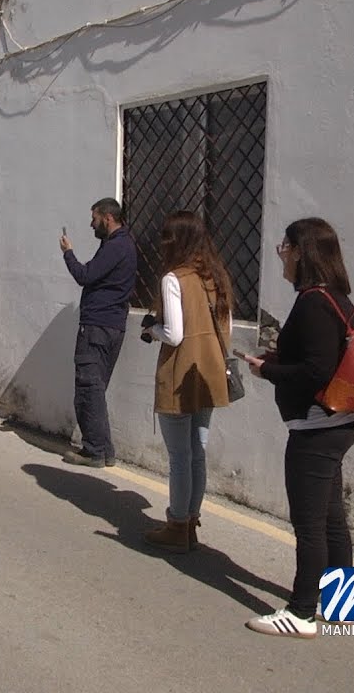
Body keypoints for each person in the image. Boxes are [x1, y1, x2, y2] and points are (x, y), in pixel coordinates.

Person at [240, 218, 354, 639]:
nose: (282, 257)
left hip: (315, 428)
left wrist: (266, 368)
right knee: (331, 520)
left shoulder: (313, 301)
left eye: (284, 248)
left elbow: (315, 369)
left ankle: (302, 612)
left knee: (310, 525)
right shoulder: (338, 298)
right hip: (338, 423)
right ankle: (349, 607)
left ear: (301, 251)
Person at [139, 211, 234, 553]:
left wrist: (151, 329)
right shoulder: (217, 277)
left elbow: (174, 334)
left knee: (180, 456)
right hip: (209, 375)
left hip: (180, 376)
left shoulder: (173, 278)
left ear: (174, 240)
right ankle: (191, 520)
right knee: (198, 454)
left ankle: (177, 525)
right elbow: (227, 329)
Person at [60, 198, 138, 468]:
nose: (91, 224)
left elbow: (85, 275)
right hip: (109, 325)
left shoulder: (116, 246)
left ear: (107, 218)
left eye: (94, 219)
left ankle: (94, 450)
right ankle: (104, 449)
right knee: (95, 388)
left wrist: (68, 253)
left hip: (98, 327)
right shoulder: (119, 245)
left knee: (88, 386)